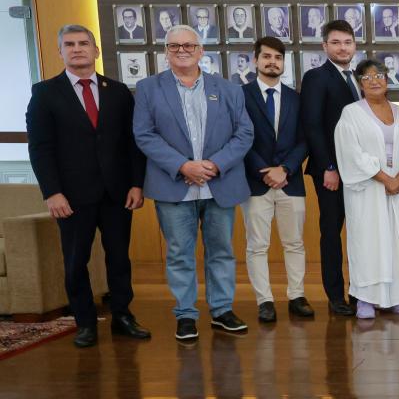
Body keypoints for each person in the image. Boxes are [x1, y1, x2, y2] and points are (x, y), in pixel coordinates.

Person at [25, 24, 149, 347]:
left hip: (117, 193)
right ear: (60, 52)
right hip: (71, 196)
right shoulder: (45, 93)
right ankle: (85, 323)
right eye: (69, 44)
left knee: (119, 258)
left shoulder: (118, 92)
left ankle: (123, 316)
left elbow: (132, 143)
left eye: (83, 43)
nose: (77, 48)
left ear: (96, 50)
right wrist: (52, 192)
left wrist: (137, 184)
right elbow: (40, 148)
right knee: (76, 260)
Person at [132, 24, 253, 340]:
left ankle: (222, 310)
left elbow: (244, 133)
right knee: (179, 253)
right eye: (174, 46)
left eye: (189, 45)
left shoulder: (228, 89)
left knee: (221, 251)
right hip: (174, 185)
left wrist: (215, 164)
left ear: (201, 51)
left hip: (218, 183)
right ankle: (185, 314)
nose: (182, 50)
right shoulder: (148, 88)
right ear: (166, 52)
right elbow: (144, 134)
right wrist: (183, 166)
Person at [334, 59, 399, 319]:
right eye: (367, 77)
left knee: (396, 240)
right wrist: (384, 178)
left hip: (397, 189)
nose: (374, 81)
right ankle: (366, 299)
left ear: (387, 79)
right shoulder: (351, 113)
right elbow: (351, 153)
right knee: (368, 242)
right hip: (367, 189)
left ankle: (396, 297)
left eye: (379, 75)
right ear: (360, 84)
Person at [240, 35, 313, 324]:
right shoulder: (240, 95)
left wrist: (285, 169)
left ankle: (297, 296)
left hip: (290, 181)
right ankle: (265, 301)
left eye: (278, 58)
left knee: (294, 242)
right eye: (267, 56)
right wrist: (264, 170)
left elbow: (304, 139)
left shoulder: (296, 98)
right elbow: (239, 138)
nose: (273, 62)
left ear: (284, 63)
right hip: (255, 182)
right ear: (255, 60)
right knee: (257, 245)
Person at [299, 19, 363, 316]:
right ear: (325, 46)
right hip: (331, 172)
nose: (342, 48)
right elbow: (312, 126)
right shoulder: (316, 77)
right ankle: (336, 296)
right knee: (332, 233)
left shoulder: (359, 78)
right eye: (336, 42)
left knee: (361, 232)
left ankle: (361, 292)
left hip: (359, 171)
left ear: (355, 45)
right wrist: (328, 166)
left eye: (347, 42)